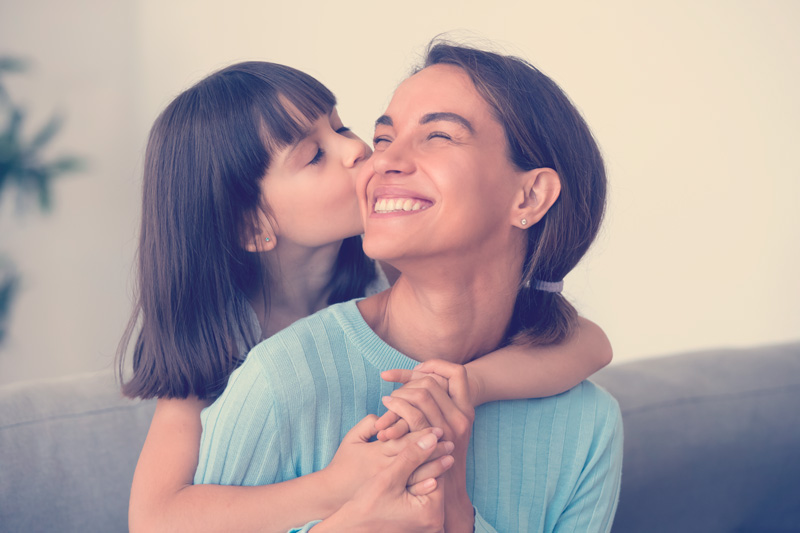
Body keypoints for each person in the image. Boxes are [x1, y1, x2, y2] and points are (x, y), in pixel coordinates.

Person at [119, 60, 613, 532]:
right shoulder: (226, 347)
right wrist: (335, 486)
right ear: (254, 223)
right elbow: (156, 521)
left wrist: (462, 386)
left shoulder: (389, 270)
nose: (362, 152)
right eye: (314, 155)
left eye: (341, 128)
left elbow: (587, 344)